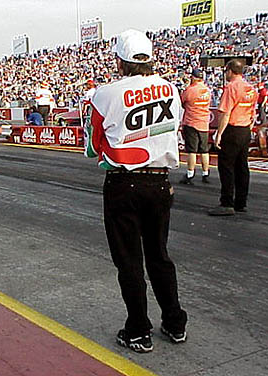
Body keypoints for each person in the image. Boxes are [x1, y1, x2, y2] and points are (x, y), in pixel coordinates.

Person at [85, 29, 187, 353]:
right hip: (160, 181)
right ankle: (174, 322)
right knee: (159, 255)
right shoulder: (171, 90)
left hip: (123, 183)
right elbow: (172, 130)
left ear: (119, 61)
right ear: (150, 58)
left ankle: (138, 330)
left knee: (129, 261)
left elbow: (92, 147)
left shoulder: (105, 94)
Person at [209, 60, 257, 216]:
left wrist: (219, 135)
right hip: (244, 129)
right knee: (242, 166)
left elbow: (225, 113)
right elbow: (253, 112)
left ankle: (227, 202)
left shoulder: (231, 88)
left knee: (226, 166)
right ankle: (241, 202)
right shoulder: (250, 88)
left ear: (230, 71)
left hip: (233, 129)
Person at [179, 68, 212, 184]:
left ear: (193, 77)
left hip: (191, 122)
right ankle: (205, 173)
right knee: (204, 150)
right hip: (204, 122)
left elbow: (182, 102)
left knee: (192, 151)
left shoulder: (190, 90)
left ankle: (190, 174)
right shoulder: (207, 90)